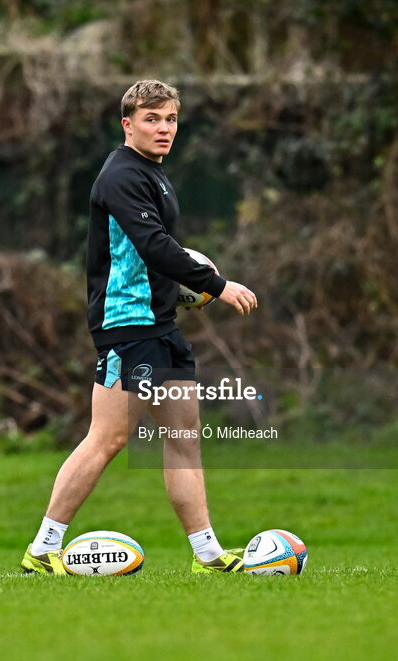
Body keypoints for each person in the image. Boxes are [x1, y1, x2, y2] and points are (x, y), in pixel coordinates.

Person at [20, 79, 258, 575]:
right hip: (127, 325)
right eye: (152, 119)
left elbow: (159, 252)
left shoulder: (154, 173)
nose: (164, 129)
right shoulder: (121, 175)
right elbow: (152, 244)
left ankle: (208, 556)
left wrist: (181, 288)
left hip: (161, 324)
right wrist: (215, 284)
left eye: (170, 119)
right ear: (128, 124)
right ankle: (43, 548)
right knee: (107, 438)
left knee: (183, 437)